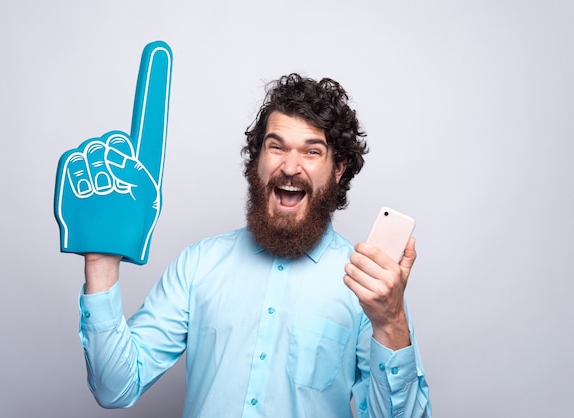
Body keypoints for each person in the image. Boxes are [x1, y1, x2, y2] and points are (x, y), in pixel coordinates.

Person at [78, 73, 431, 417]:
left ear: (338, 168)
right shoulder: (200, 264)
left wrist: (390, 323)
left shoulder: (368, 287)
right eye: (276, 147)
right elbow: (115, 387)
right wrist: (101, 259)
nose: (290, 167)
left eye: (312, 152)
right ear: (257, 159)